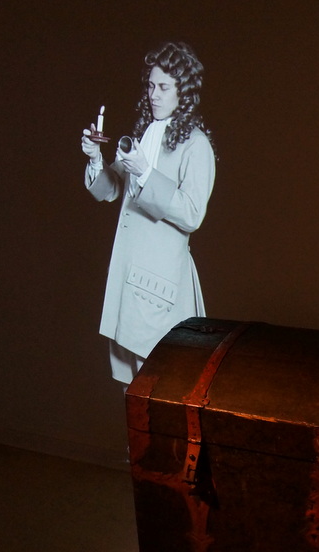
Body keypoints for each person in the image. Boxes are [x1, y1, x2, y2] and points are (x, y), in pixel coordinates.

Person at [80, 42, 216, 387]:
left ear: (183, 91)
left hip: (159, 289)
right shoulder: (146, 134)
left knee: (158, 388)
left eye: (164, 87)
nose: (154, 95)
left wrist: (145, 172)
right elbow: (112, 189)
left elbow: (192, 213)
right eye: (151, 85)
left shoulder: (196, 145)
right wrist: (95, 159)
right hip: (128, 281)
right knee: (132, 391)